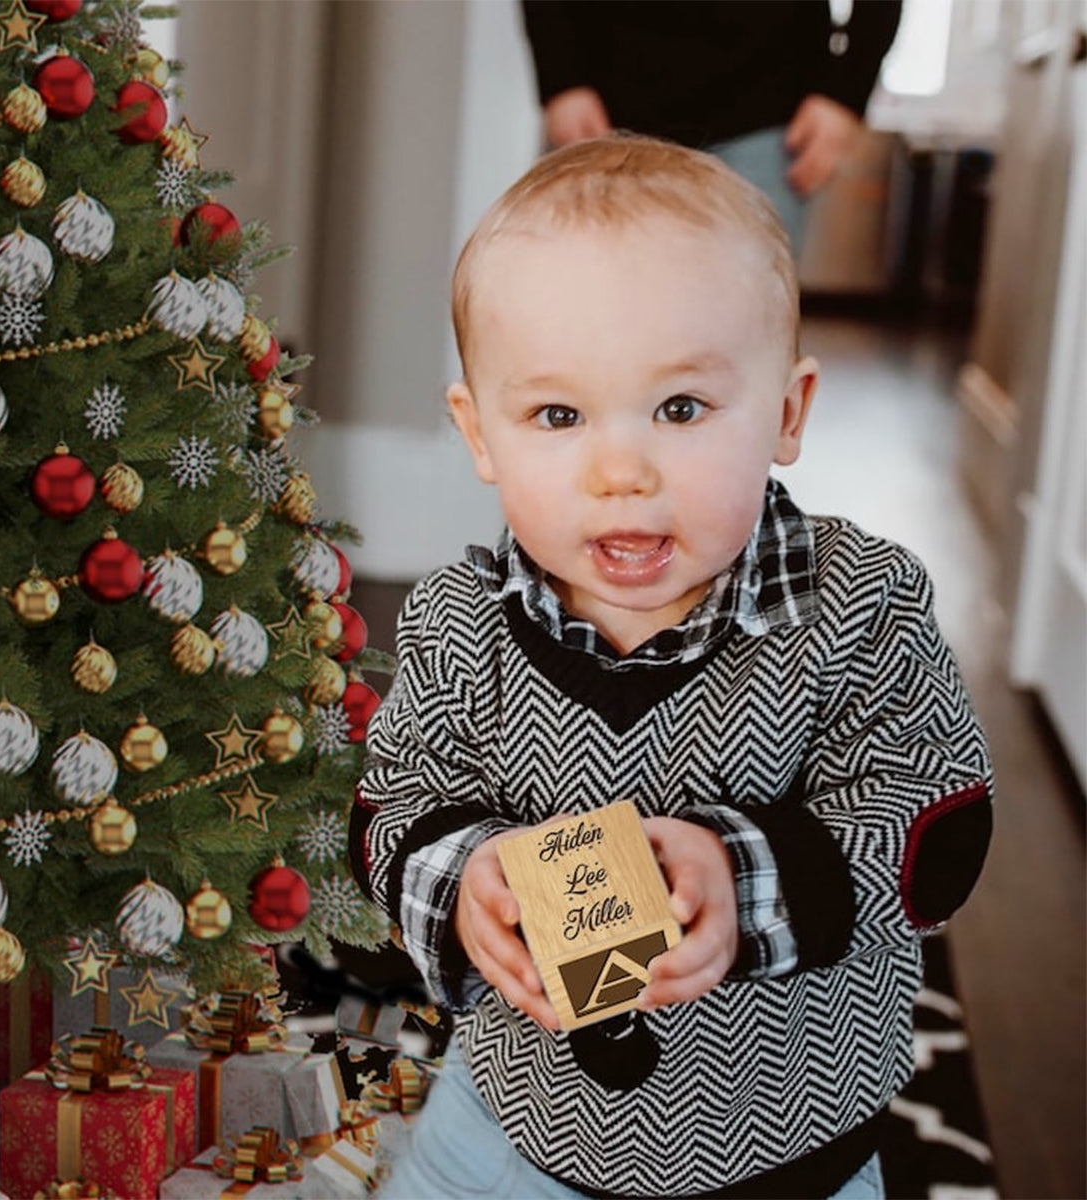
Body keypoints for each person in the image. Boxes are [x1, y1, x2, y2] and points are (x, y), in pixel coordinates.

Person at [349, 135, 992, 1200]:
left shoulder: (858, 602)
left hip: (789, 1146)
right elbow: (394, 802)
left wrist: (742, 879)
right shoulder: (458, 618)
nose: (620, 471)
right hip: (516, 1125)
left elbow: (939, 824)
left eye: (681, 409)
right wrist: (461, 880)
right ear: (479, 433)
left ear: (786, 412)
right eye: (558, 416)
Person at [521, 0, 902, 251]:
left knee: (743, 324)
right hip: (604, 110)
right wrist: (561, 77)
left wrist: (846, 91)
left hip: (768, 110)